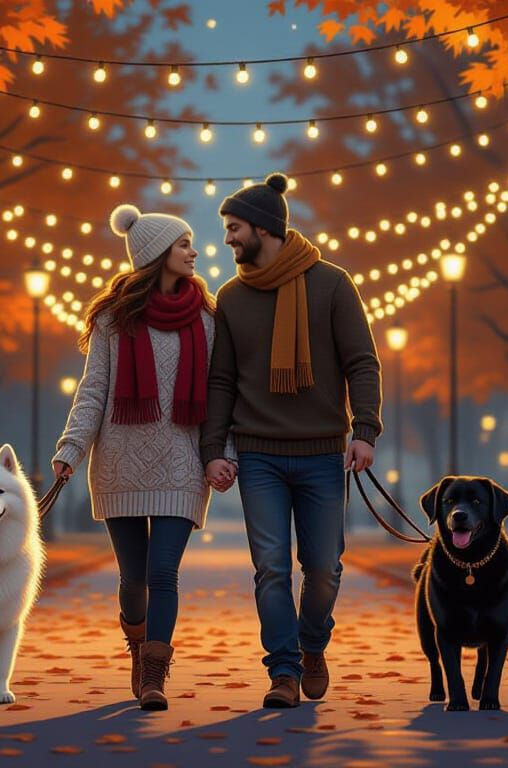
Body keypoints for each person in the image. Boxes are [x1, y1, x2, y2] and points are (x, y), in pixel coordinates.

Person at [200, 173, 382, 708]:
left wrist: (364, 430)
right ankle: (282, 671)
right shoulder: (232, 297)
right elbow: (221, 381)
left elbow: (362, 362)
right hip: (258, 454)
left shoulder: (332, 284)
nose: (228, 239)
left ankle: (312, 644)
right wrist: (212, 450)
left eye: (235, 228)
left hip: (322, 453)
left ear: (263, 228)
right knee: (272, 568)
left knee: (324, 568)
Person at [52, 204, 234, 711]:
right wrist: (70, 448)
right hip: (120, 463)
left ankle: (154, 674)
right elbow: (94, 390)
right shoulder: (114, 319)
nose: (193, 253)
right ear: (157, 253)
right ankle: (137, 647)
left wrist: (223, 454)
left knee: (162, 574)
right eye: (183, 245)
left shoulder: (208, 319)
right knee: (133, 579)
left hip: (182, 464)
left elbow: (221, 395)